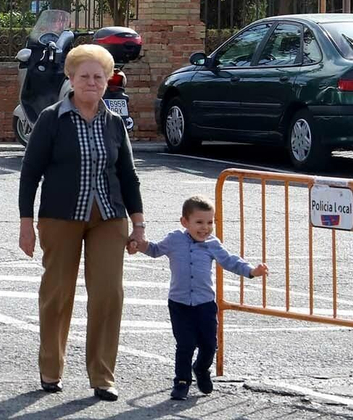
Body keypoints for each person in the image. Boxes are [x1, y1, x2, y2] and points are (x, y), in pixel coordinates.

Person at [18, 43, 145, 401]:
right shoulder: (52, 118)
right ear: (71, 79)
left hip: (109, 216)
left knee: (108, 295)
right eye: (84, 76)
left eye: (99, 77)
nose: (92, 82)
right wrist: (26, 222)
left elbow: (129, 176)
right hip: (60, 216)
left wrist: (138, 225)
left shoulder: (114, 122)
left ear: (107, 82)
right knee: (57, 294)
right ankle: (50, 369)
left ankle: (102, 376)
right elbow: (30, 173)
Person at [133, 195, 268, 400]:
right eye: (199, 222)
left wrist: (251, 270)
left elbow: (230, 261)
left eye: (210, 222)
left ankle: (202, 369)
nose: (205, 228)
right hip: (179, 303)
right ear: (184, 222)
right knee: (185, 343)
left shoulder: (212, 244)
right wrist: (138, 245)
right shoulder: (174, 239)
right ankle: (181, 382)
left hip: (205, 303)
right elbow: (154, 250)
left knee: (208, 344)